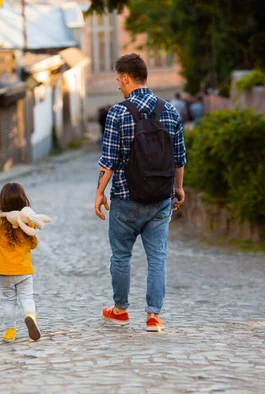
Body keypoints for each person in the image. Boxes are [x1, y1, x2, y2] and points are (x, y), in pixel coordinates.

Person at [94, 54, 186, 332]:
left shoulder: (118, 112)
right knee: (157, 256)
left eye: (117, 79)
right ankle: (153, 316)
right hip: (160, 199)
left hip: (126, 198)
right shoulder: (170, 110)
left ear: (125, 77)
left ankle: (120, 309)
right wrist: (178, 189)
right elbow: (179, 157)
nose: (117, 85)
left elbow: (108, 161)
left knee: (121, 256)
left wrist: (99, 193)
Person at [0, 182, 41, 343]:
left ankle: (10, 332)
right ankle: (30, 315)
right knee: (26, 298)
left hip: (3, 272)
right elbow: (34, 244)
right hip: (23, 270)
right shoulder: (27, 223)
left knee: (8, 301)